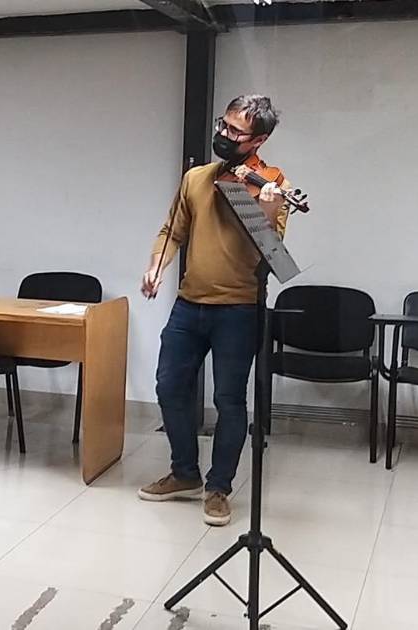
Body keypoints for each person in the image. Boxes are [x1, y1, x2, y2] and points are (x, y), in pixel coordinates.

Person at [138, 95, 292, 527]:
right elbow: (173, 230)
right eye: (223, 125)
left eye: (235, 132)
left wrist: (267, 205)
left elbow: (271, 249)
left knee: (228, 399)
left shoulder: (273, 182)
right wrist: (156, 266)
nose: (224, 135)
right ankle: (184, 472)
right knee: (169, 386)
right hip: (189, 305)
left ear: (258, 140)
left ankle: (219, 487)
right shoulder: (196, 178)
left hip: (238, 311)